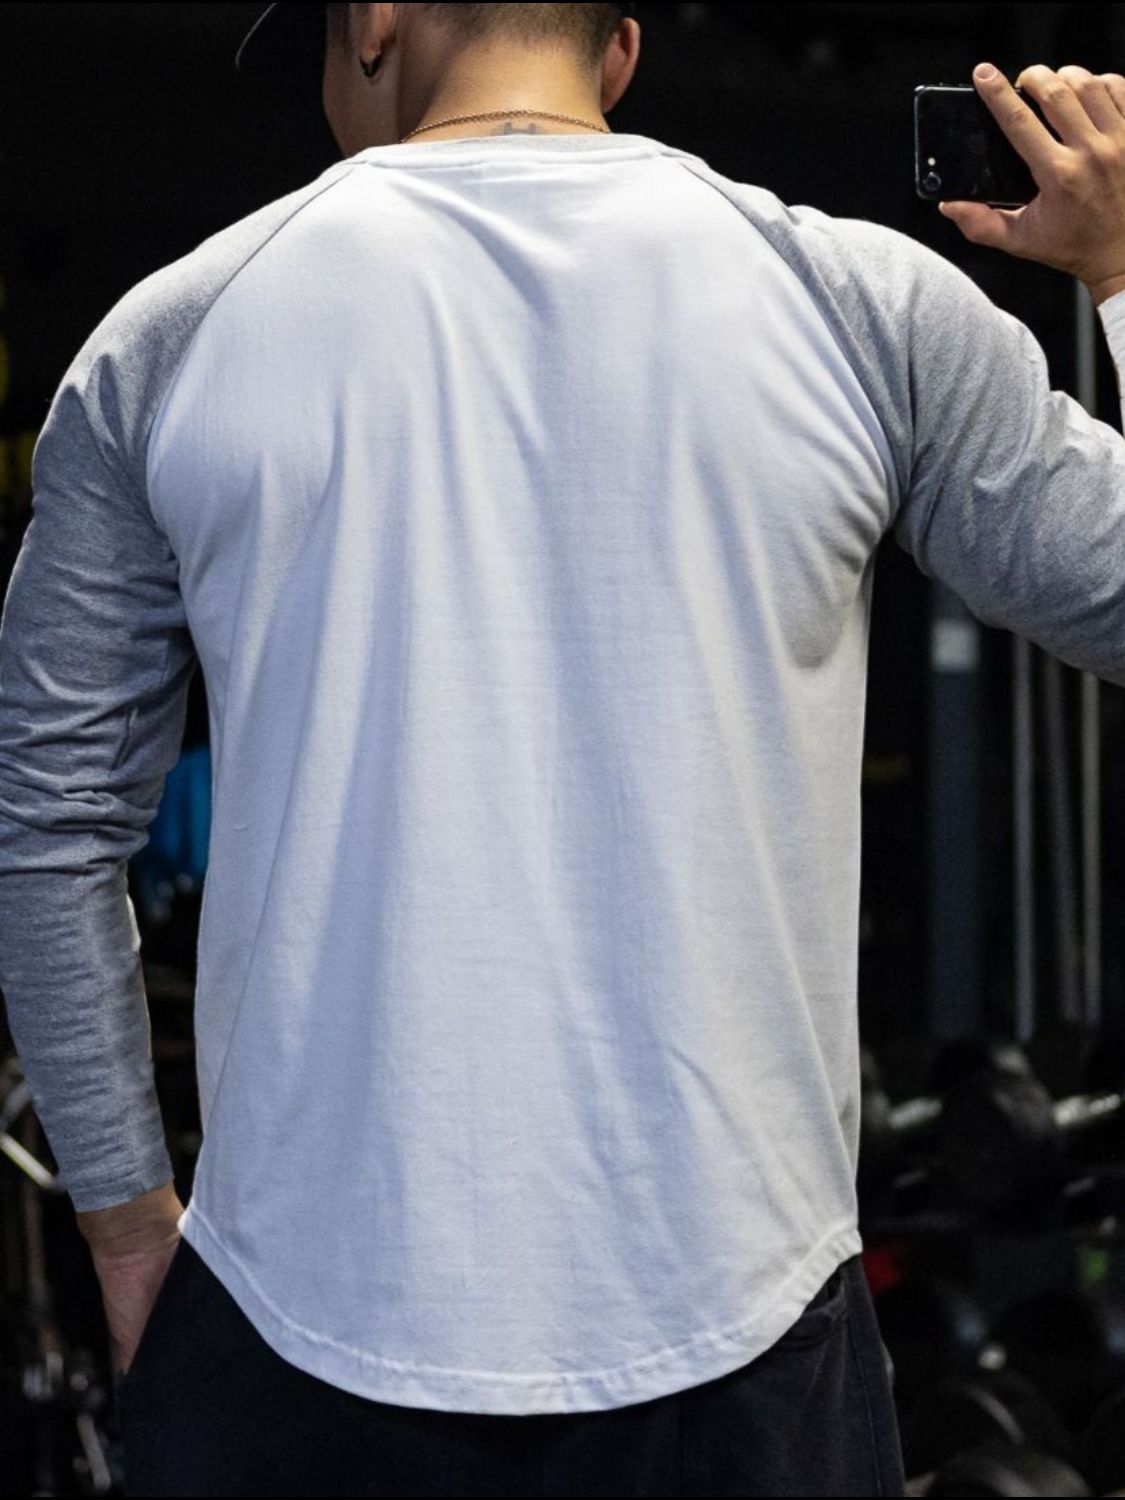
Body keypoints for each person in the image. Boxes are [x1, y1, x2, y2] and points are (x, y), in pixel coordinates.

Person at [1, 2, 1124, 1493]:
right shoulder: (858, 305)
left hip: (289, 1329)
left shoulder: (169, 337)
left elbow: (51, 830)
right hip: (743, 1341)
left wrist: (127, 1231)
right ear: (619, 53)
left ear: (373, 21)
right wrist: (1119, 272)